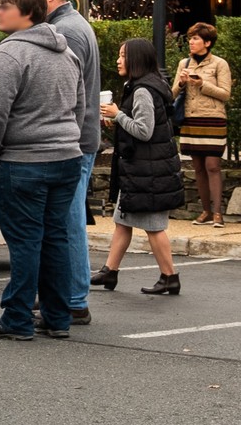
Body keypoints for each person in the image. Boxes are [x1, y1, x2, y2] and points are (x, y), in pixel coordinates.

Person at [0, 0, 85, 340]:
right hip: (67, 156)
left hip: (23, 160)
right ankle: (57, 317)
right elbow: (80, 106)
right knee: (56, 238)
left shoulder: (10, 54)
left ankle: (17, 318)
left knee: (25, 240)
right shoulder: (66, 52)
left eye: (6, 6)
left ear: (26, 13)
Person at [25, 0, 101, 325]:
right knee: (66, 220)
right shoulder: (75, 23)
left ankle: (73, 298)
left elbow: (66, 91)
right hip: (78, 136)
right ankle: (67, 294)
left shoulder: (66, 30)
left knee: (68, 222)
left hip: (73, 139)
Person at [93, 38, 184, 296]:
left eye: (123, 55)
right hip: (140, 169)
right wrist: (119, 121)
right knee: (122, 221)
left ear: (136, 59)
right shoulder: (144, 85)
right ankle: (110, 271)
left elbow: (144, 131)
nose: (118, 60)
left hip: (148, 172)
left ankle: (170, 276)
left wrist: (117, 115)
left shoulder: (143, 90)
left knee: (154, 226)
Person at [174, 22, 233, 228]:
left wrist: (202, 84)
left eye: (196, 38)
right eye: (190, 38)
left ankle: (218, 213)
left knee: (212, 165)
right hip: (190, 119)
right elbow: (172, 93)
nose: (191, 42)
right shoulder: (184, 64)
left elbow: (226, 94)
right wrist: (181, 83)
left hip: (213, 118)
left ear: (207, 43)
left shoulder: (219, 64)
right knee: (198, 167)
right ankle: (205, 211)